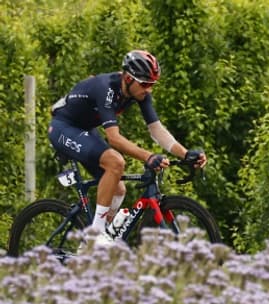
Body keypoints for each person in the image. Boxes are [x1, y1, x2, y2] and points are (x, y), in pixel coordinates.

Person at [48, 50, 207, 245]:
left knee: (119, 190)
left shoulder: (139, 94)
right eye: (144, 83)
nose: (148, 89)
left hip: (85, 130)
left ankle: (92, 244)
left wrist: (185, 154)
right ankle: (95, 238)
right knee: (116, 162)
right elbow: (114, 139)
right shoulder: (105, 88)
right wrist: (148, 156)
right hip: (63, 127)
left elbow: (156, 130)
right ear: (127, 78)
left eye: (152, 84)